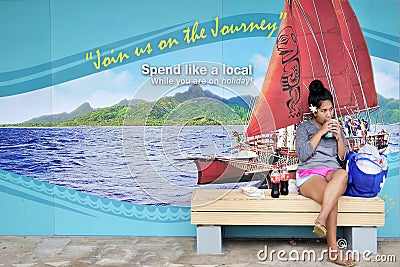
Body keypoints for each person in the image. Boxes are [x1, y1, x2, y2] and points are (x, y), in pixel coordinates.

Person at [295, 80, 356, 266]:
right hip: (310, 173)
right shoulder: (304, 128)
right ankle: (333, 251)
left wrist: (339, 139)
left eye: (331, 110)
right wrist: (321, 132)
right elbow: (303, 155)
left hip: (332, 171)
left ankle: (321, 218)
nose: (329, 114)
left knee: (343, 175)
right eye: (324, 111)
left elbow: (342, 159)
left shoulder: (337, 127)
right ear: (314, 110)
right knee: (332, 198)